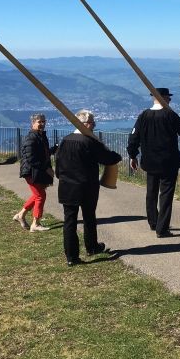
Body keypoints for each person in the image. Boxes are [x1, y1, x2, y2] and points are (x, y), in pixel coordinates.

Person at [55, 110, 121, 267]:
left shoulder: (65, 140)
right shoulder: (89, 142)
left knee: (69, 221)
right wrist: (116, 157)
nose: (94, 125)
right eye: (92, 123)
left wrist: (62, 177)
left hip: (66, 186)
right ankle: (92, 247)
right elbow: (108, 158)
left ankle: (71, 256)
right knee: (89, 217)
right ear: (85, 124)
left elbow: (58, 166)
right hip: (87, 186)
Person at [127, 87, 180, 238]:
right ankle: (162, 228)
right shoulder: (170, 115)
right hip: (168, 162)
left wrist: (133, 156)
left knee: (151, 193)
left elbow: (133, 138)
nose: (170, 100)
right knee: (166, 195)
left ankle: (153, 222)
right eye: (168, 97)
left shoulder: (143, 116)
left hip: (149, 161)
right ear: (163, 98)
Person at [14, 113, 57, 232]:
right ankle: (35, 223)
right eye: (40, 122)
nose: (42, 124)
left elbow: (43, 153)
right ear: (33, 123)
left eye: (44, 121)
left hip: (36, 171)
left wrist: (54, 149)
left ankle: (21, 215)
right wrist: (46, 169)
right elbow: (31, 158)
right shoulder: (31, 138)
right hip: (30, 172)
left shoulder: (40, 136)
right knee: (40, 195)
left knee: (37, 194)